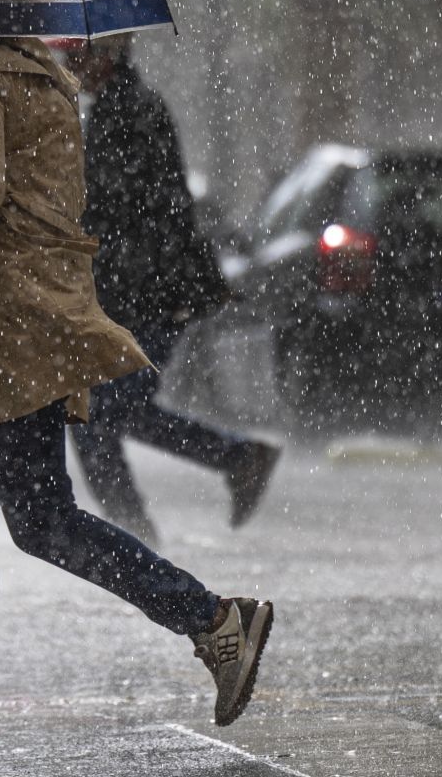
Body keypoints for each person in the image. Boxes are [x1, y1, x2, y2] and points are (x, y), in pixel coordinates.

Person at [0, 32, 274, 767]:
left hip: (3, 333)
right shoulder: (39, 73)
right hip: (20, 325)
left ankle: (214, 620)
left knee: (40, 520)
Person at [64, 36, 280, 543]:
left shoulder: (129, 112)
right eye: (66, 55)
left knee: (98, 412)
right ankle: (143, 531)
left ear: (110, 54)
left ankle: (134, 540)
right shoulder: (116, 110)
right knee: (102, 411)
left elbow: (124, 210)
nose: (69, 64)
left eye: (78, 54)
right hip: (140, 291)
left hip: (145, 294)